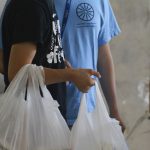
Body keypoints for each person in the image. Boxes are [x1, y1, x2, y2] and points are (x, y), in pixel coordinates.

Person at [0, 0, 100, 119]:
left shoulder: (42, 4)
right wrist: (70, 75)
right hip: (33, 122)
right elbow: (18, 74)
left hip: (44, 117)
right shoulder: (31, 6)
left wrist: (54, 61)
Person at [54, 0, 126, 131]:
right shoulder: (29, 4)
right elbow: (7, 60)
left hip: (87, 111)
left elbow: (103, 57)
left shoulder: (100, 2)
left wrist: (114, 110)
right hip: (44, 111)